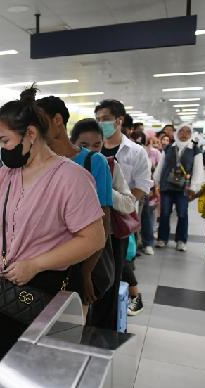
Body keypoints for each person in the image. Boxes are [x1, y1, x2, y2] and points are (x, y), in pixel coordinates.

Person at [0, 88, 104, 359]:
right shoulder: (5, 175)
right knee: (8, 361)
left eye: (5, 141)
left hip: (48, 288)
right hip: (7, 288)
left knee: (44, 367)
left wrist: (35, 264)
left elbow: (94, 238)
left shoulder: (70, 178)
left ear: (30, 134)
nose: (2, 149)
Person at [37, 96, 112, 308]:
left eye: (39, 121)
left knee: (71, 322)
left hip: (80, 259)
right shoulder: (36, 162)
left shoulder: (94, 162)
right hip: (44, 261)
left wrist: (86, 272)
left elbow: (103, 223)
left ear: (57, 120)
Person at [71, 119, 139, 322]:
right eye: (84, 145)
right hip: (73, 241)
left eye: (97, 145)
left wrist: (103, 187)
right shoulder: (65, 166)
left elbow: (129, 203)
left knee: (101, 291)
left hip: (106, 241)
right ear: (73, 144)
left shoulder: (109, 165)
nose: (92, 151)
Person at [95, 99, 152, 316]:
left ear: (119, 120)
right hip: (94, 217)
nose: (101, 123)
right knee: (100, 264)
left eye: (106, 119)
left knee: (120, 259)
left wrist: (122, 206)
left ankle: (129, 299)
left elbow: (142, 185)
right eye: (98, 119)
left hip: (121, 216)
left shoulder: (135, 151)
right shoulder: (94, 148)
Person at [153, 125, 203, 251]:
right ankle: (162, 238)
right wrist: (156, 181)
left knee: (182, 213)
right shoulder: (169, 147)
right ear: (177, 133)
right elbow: (161, 165)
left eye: (187, 132)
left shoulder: (195, 150)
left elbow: (198, 170)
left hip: (184, 187)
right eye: (182, 131)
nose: (184, 134)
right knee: (165, 213)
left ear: (191, 134)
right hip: (167, 185)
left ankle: (181, 240)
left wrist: (194, 187)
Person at [140, 131, 161, 255]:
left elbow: (151, 174)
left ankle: (148, 243)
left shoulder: (150, 154)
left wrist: (153, 189)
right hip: (128, 190)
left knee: (146, 215)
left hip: (145, 190)